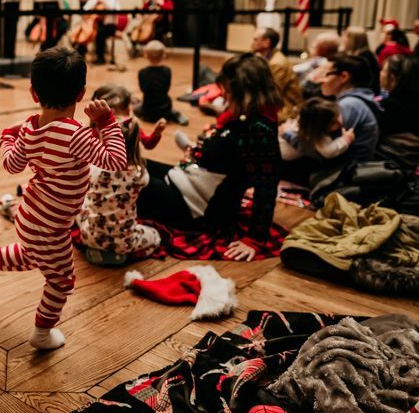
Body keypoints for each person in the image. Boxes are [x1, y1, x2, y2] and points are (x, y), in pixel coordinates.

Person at [0, 47, 127, 350]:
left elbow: (12, 165)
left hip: (31, 215)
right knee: (62, 281)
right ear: (81, 93)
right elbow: (116, 161)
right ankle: (41, 334)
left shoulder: (30, 128)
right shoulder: (76, 136)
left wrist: (8, 137)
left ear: (34, 93)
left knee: (29, 256)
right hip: (51, 225)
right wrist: (107, 121)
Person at [136, 53, 281, 263]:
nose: (225, 96)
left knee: (129, 176)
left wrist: (255, 238)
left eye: (229, 92)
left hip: (198, 208)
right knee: (136, 164)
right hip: (192, 183)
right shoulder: (242, 118)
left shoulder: (257, 129)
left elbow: (267, 184)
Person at [78, 118, 161, 266]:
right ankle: (123, 256)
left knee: (82, 206)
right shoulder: (140, 174)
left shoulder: (94, 168)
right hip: (123, 242)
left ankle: (98, 250)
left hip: (89, 236)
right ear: (135, 146)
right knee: (155, 236)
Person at [319, 53, 382, 162]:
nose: (321, 80)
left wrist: (290, 135)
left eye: (326, 74)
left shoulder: (349, 105)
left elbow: (327, 147)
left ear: (344, 77)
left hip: (343, 171)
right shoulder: (353, 102)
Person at [378, 54, 419, 138]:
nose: (380, 73)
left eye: (383, 70)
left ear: (393, 78)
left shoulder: (388, 106)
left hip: (394, 150)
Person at [92, 83, 166, 149]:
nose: (130, 108)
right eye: (127, 105)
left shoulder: (130, 125)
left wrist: (156, 133)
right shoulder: (95, 132)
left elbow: (147, 144)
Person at [278, 98, 355, 161]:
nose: (340, 122)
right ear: (318, 128)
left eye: (338, 115)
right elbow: (329, 151)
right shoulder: (314, 135)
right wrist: (346, 139)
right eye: (332, 123)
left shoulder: (311, 119)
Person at [251, 27, 302, 121]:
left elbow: (269, 93)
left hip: (285, 109)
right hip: (275, 104)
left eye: (255, 39)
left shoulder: (277, 63)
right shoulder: (266, 57)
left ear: (266, 43)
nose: (252, 43)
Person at [134, 40, 189, 126]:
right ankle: (174, 114)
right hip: (165, 109)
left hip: (148, 110)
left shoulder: (142, 72)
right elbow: (166, 88)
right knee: (167, 106)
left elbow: (143, 89)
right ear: (163, 55)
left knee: (135, 109)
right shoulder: (167, 71)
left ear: (146, 55)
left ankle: (146, 116)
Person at [79, 0, 120, 65]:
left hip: (109, 25)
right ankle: (80, 55)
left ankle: (101, 58)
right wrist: (94, 5)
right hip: (94, 24)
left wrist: (104, 3)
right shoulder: (92, 0)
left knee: (99, 34)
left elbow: (117, 10)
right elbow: (84, 11)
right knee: (82, 31)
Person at [341, 27, 380, 94]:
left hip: (366, 92)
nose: (343, 39)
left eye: (345, 37)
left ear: (353, 39)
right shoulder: (356, 53)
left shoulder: (365, 56)